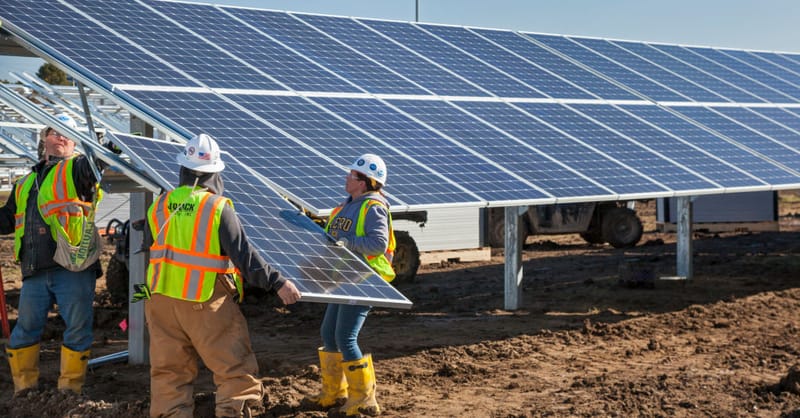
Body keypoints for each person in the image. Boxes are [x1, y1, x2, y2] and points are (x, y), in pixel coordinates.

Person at [141, 133, 302, 418]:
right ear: (214, 173)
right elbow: (244, 256)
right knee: (234, 371)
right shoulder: (216, 207)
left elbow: (149, 253)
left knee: (168, 375)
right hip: (204, 300)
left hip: (161, 303)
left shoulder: (160, 205)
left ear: (183, 169)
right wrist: (277, 282)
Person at [1, 113, 102, 395]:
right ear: (44, 137)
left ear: (75, 144)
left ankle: (69, 392)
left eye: (68, 134)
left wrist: (105, 148)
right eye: (56, 131)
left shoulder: (77, 169)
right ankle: (25, 390)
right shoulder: (24, 183)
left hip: (73, 267)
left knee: (78, 330)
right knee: (24, 330)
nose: (62, 136)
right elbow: (8, 220)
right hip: (34, 270)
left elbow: (95, 166)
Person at [308, 153, 396, 416]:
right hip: (344, 279)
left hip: (364, 280)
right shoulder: (347, 205)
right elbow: (333, 236)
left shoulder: (373, 207)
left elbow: (378, 244)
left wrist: (348, 244)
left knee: (346, 337)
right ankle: (334, 393)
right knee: (328, 334)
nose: (347, 177)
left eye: (352, 175)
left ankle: (364, 399)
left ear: (365, 182)